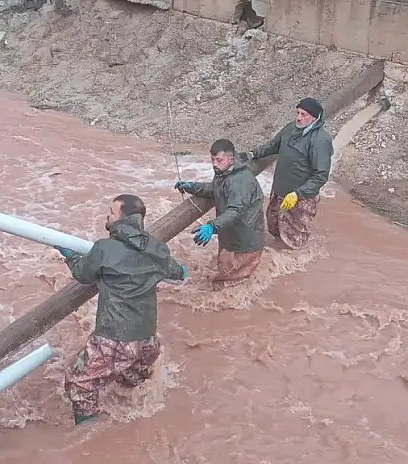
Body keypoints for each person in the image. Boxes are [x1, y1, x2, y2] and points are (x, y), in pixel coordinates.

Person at [54, 194, 187, 425]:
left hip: (114, 340)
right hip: (147, 342)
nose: (108, 215)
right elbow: (179, 274)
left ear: (123, 219)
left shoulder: (104, 248)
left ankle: (89, 440)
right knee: (130, 382)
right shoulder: (158, 249)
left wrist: (70, 256)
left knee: (79, 383)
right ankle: (131, 428)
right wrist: (179, 270)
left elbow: (83, 274)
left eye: (112, 212)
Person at [238, 97, 334, 249]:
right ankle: (275, 252)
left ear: (315, 118)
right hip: (279, 191)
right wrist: (252, 154)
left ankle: (294, 265)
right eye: (298, 113)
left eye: (304, 115)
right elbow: (273, 146)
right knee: (274, 228)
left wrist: (298, 194)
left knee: (294, 240)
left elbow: (321, 175)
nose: (299, 118)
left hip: (300, 198)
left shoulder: (320, 140)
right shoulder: (290, 128)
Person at [174, 139, 266, 290]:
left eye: (219, 160)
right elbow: (215, 189)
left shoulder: (240, 181)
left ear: (231, 159)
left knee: (227, 286)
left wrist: (212, 226)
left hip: (245, 242)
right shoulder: (224, 173)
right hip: (233, 236)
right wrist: (192, 187)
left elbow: (236, 211)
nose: (214, 164)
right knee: (228, 275)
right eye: (212, 160)